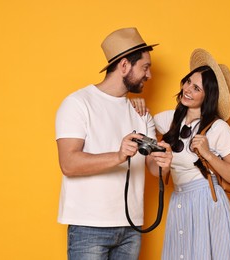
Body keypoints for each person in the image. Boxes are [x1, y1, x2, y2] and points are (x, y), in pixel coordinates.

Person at [55, 27, 172, 260]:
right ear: (125, 66)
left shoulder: (141, 113)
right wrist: (118, 156)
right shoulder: (77, 104)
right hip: (89, 226)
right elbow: (68, 163)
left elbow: (152, 169)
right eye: (145, 68)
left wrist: (164, 163)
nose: (149, 76)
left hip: (131, 228)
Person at [131, 48, 230, 259]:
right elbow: (140, 121)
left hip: (208, 204)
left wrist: (208, 154)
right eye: (188, 82)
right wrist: (134, 103)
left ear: (208, 96)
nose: (187, 90)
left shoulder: (218, 128)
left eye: (196, 88)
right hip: (180, 201)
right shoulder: (169, 120)